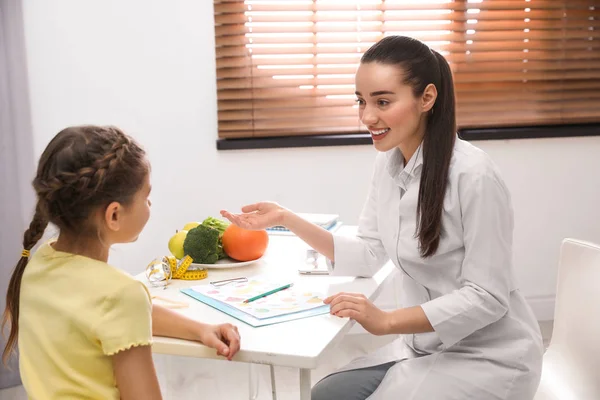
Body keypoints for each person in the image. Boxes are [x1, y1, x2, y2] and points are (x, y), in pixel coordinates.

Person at [220, 36, 543, 400]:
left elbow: (487, 297)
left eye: (383, 102)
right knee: (327, 393)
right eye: (361, 101)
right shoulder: (388, 164)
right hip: (427, 347)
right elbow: (369, 252)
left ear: (427, 98)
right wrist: (285, 218)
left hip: (492, 357)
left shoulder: (474, 175)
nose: (367, 116)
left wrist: (387, 321)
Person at [2, 126, 240, 399]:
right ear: (113, 215)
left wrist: (199, 329)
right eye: (145, 196)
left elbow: (114, 313)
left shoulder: (41, 260)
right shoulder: (122, 294)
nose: (149, 203)